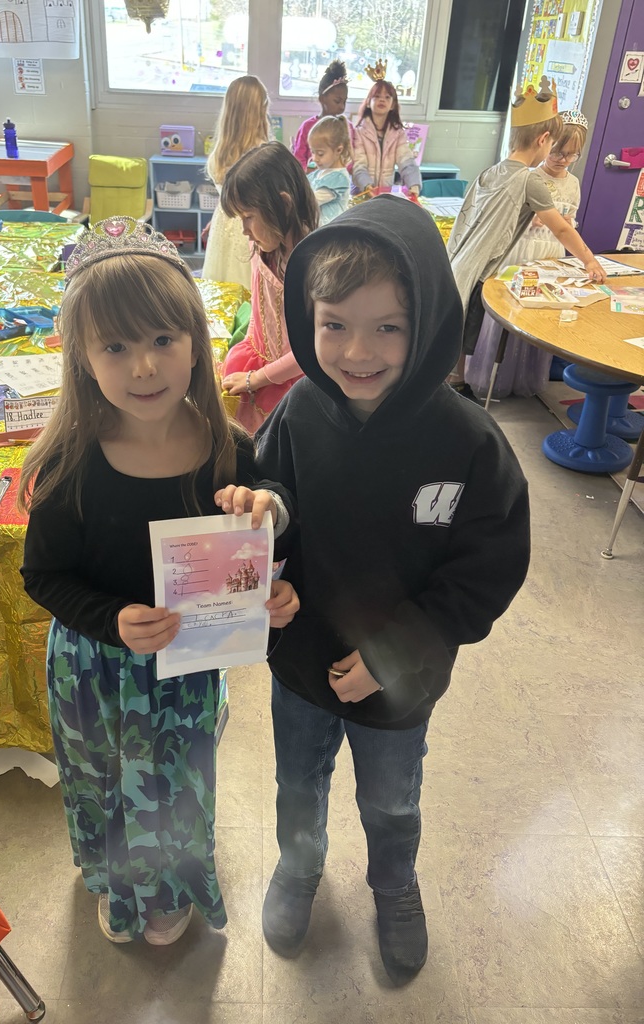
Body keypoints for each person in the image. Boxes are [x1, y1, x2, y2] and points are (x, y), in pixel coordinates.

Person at [254, 195, 530, 983]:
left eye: (388, 327)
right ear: (308, 317)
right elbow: (270, 489)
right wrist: (265, 520)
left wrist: (393, 654)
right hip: (302, 667)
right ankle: (298, 868)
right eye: (334, 323)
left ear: (429, 325)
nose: (357, 351)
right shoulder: (300, 410)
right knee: (298, 786)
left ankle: (393, 884)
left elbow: (487, 570)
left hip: (400, 681)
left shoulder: (468, 441)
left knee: (392, 800)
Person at [18, 216, 300, 946]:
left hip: (186, 669)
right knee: (104, 780)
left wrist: (269, 522)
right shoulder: (71, 464)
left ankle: (171, 885)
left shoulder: (224, 447)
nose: (144, 367)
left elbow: (269, 515)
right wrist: (110, 619)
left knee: (179, 783)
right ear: (82, 357)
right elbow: (43, 575)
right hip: (94, 669)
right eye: (116, 346)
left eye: (162, 340)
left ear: (196, 343)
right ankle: (117, 882)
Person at [447, 79, 604, 397]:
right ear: (544, 139)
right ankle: (454, 390)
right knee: (466, 333)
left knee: (459, 332)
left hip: (461, 262)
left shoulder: (489, 171)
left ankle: (455, 382)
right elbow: (561, 228)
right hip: (480, 270)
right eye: (552, 146)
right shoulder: (530, 181)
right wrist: (588, 259)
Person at [220, 141, 319, 433]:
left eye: (248, 216)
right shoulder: (261, 247)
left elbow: (309, 351)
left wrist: (255, 379)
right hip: (258, 364)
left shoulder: (312, 266)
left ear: (284, 204)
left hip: (293, 381)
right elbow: (259, 318)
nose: (244, 230)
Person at [202, 75, 271, 290]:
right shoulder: (262, 153)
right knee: (247, 285)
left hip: (224, 222)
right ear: (258, 111)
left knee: (221, 284)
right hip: (249, 226)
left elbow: (226, 197)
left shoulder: (220, 152)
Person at [352, 67, 420, 197]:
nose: (382, 100)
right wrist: (367, 186)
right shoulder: (359, 131)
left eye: (387, 97)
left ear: (393, 104)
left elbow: (406, 161)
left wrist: (414, 184)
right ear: (368, 102)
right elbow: (358, 165)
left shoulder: (398, 133)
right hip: (361, 193)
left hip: (384, 193)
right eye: (377, 96)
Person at [292, 59, 356, 172]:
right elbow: (298, 158)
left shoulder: (348, 127)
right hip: (312, 183)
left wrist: (342, 170)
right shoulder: (307, 126)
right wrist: (308, 171)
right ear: (322, 99)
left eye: (344, 102)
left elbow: (353, 157)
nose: (342, 107)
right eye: (337, 101)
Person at [306, 115, 352, 226]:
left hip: (331, 231)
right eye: (313, 152)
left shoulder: (339, 178)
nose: (315, 158)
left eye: (320, 153)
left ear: (338, 150)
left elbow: (312, 201)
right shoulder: (317, 174)